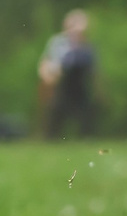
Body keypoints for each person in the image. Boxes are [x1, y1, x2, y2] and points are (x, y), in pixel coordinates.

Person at [37, 9, 99, 140]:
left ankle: (85, 139)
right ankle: (50, 139)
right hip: (61, 84)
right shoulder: (58, 43)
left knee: (86, 116)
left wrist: (99, 90)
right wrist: (48, 79)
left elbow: (94, 71)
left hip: (80, 85)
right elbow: (46, 63)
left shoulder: (88, 46)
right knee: (55, 115)